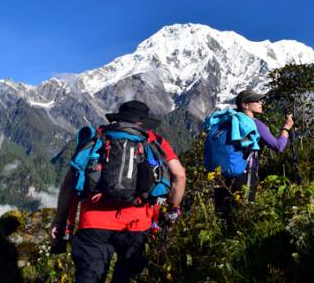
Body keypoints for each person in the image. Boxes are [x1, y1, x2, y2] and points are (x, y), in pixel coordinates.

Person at [51, 100, 186, 283]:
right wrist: (172, 208)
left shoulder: (98, 136)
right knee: (126, 276)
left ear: (119, 118)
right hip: (136, 224)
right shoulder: (154, 140)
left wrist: (60, 222)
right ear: (143, 122)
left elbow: (70, 182)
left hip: (93, 223)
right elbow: (179, 176)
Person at [214, 89, 294, 218]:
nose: (260, 103)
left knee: (226, 217)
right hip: (246, 175)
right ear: (245, 105)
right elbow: (279, 146)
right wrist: (286, 127)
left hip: (225, 175)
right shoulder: (255, 124)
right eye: (256, 101)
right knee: (244, 215)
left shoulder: (230, 122)